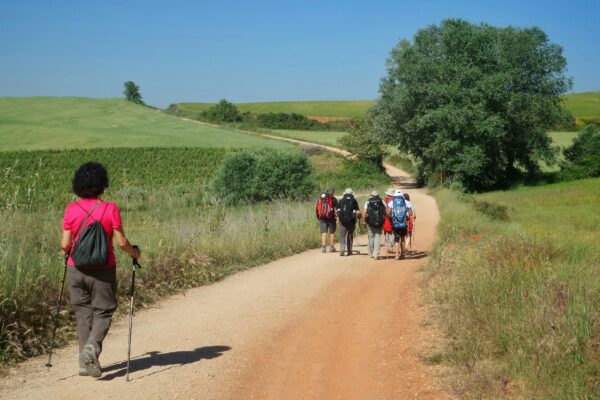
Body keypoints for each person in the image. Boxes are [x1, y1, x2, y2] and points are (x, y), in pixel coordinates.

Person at [60, 162, 140, 378]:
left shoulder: (71, 209)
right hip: (103, 270)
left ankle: (84, 363)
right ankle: (92, 349)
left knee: (83, 314)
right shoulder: (109, 208)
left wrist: (70, 249)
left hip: (76, 270)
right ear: (102, 184)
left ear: (78, 184)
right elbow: (121, 241)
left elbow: (65, 245)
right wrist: (133, 252)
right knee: (103, 311)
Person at [363, 190, 386, 260]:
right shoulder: (382, 202)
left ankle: (370, 253)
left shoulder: (368, 202)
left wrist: (364, 221)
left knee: (371, 237)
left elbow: (364, 213)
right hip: (379, 223)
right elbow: (385, 211)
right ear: (378, 195)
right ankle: (376, 253)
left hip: (370, 223)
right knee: (377, 237)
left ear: (371, 195)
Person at [337, 188, 361, 256]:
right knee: (350, 235)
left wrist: (338, 219)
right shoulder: (354, 201)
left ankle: (342, 248)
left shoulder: (341, 200)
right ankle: (349, 250)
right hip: (351, 221)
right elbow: (358, 212)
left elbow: (338, 212)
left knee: (342, 235)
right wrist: (358, 217)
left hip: (342, 221)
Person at [386, 189, 408, 260]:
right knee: (403, 238)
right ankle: (402, 254)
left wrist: (390, 218)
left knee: (396, 239)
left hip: (395, 223)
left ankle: (396, 255)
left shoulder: (391, 202)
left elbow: (388, 213)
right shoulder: (405, 202)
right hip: (404, 223)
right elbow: (410, 213)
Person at [316, 187, 338, 253]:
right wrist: (337, 217)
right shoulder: (333, 199)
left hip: (322, 218)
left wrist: (319, 217)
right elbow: (337, 209)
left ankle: (324, 248)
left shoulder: (320, 199)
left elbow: (317, 209)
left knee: (324, 232)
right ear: (333, 192)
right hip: (331, 218)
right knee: (332, 232)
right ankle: (331, 247)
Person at [383, 188, 395, 254]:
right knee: (393, 233)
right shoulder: (395, 200)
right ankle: (391, 245)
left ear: (387, 194)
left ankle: (387, 247)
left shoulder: (385, 200)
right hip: (393, 219)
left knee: (386, 233)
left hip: (385, 219)